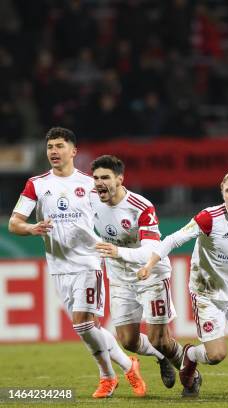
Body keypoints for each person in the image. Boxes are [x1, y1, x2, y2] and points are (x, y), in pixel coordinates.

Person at [8, 128, 146, 398]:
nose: (54, 152)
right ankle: (129, 366)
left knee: (83, 324)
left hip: (88, 262)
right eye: (50, 147)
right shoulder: (37, 184)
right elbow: (14, 223)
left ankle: (108, 376)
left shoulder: (92, 184)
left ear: (73, 151)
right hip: (58, 266)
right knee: (88, 328)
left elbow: (120, 207)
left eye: (60, 146)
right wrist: (32, 227)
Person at [136, 170, 228, 398]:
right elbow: (173, 239)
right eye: (227, 190)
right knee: (216, 356)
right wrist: (149, 265)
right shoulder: (209, 218)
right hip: (207, 292)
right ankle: (191, 355)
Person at [91, 155, 183, 390]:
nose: (99, 182)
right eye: (96, 178)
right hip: (120, 277)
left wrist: (117, 251)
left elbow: (151, 251)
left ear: (120, 180)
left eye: (105, 178)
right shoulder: (90, 200)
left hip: (150, 273)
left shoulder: (141, 207)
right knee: (128, 341)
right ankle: (162, 358)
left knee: (159, 340)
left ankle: (187, 368)